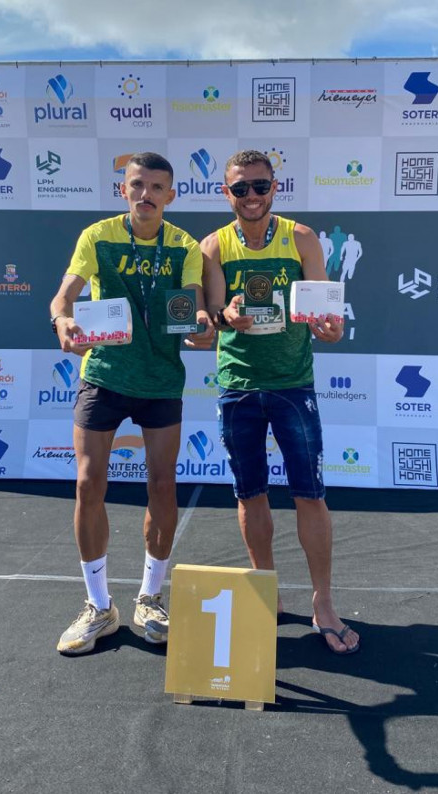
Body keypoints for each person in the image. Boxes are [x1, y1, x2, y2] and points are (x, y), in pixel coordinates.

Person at [50, 151, 214, 655]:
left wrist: (200, 328)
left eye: (157, 187)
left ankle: (149, 597)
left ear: (171, 195)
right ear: (123, 189)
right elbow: (63, 297)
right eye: (138, 185)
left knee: (162, 485)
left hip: (161, 379)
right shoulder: (97, 236)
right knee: (87, 483)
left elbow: (193, 308)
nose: (146, 195)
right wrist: (62, 321)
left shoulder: (184, 246)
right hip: (104, 374)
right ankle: (99, 606)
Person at [200, 149, 360, 655]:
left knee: (310, 494)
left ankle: (323, 603)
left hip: (293, 384)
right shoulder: (214, 246)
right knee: (250, 493)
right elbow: (212, 314)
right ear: (226, 193)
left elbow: (326, 316)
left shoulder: (302, 238)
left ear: (275, 187)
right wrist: (226, 316)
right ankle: (265, 592)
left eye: (260, 186)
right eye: (240, 188)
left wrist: (331, 330)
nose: (251, 196)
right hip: (238, 384)